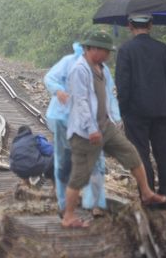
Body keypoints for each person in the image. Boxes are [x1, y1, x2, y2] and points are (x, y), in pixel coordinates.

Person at [62, 29, 166, 228]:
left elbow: (106, 97)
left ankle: (146, 193)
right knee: (79, 175)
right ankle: (68, 216)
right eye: (106, 51)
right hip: (86, 132)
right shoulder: (79, 69)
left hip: (106, 126)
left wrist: (113, 118)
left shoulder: (100, 67)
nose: (109, 55)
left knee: (131, 153)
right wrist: (91, 128)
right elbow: (81, 102)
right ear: (93, 49)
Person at [115, 13, 166, 209]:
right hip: (160, 109)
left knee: (140, 154)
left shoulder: (125, 50)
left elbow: (122, 85)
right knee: (163, 153)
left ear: (129, 26)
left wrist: (121, 110)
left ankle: (148, 195)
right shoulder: (163, 49)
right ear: (150, 25)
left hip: (135, 111)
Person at [44, 42, 107, 217]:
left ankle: (94, 204)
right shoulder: (68, 61)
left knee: (94, 161)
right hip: (64, 119)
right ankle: (66, 205)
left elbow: (106, 93)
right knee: (66, 162)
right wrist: (58, 91)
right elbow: (50, 78)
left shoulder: (101, 68)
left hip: (90, 122)